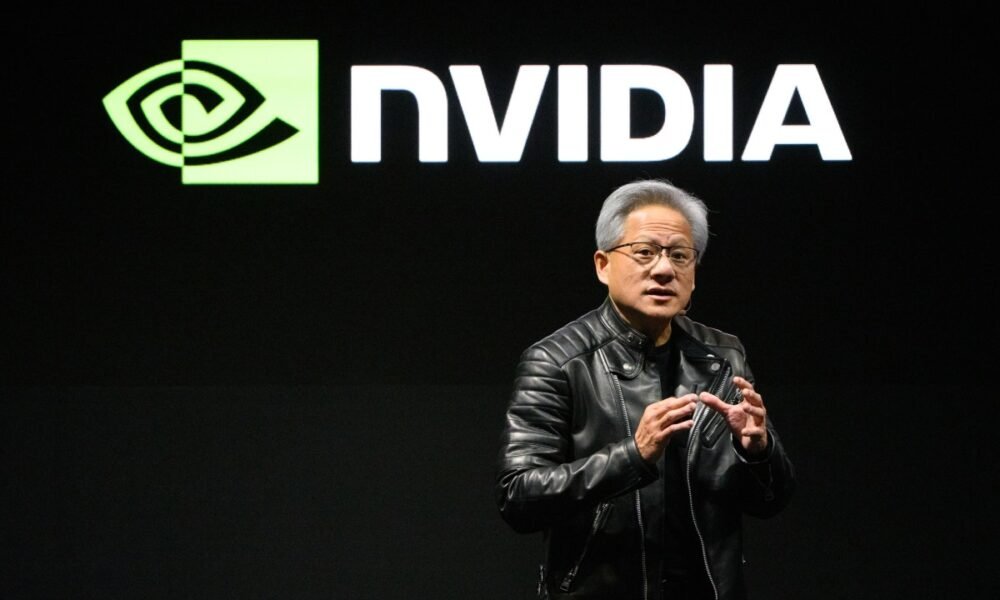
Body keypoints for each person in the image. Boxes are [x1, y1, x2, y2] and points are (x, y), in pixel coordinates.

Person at [496, 179, 794, 600]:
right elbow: (518, 497)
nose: (664, 269)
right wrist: (632, 456)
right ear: (603, 265)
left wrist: (758, 451)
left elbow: (771, 501)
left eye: (680, 255)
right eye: (645, 252)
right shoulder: (557, 361)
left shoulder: (723, 355)